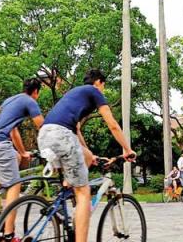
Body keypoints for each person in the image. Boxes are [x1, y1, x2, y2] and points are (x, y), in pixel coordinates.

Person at [38, 69, 134, 242]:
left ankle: (66, 195)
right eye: (104, 85)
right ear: (99, 82)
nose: (103, 89)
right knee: (84, 193)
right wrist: (127, 149)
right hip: (61, 135)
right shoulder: (94, 91)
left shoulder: (75, 93)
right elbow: (112, 124)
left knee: (87, 157)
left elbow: (76, 130)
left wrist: (89, 154)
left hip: (45, 135)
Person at [0, 77, 44, 242]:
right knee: (16, 185)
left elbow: (13, 132)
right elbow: (44, 127)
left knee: (14, 156)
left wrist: (22, 153)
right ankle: (9, 235)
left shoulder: (10, 100)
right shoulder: (30, 101)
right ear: (36, 91)